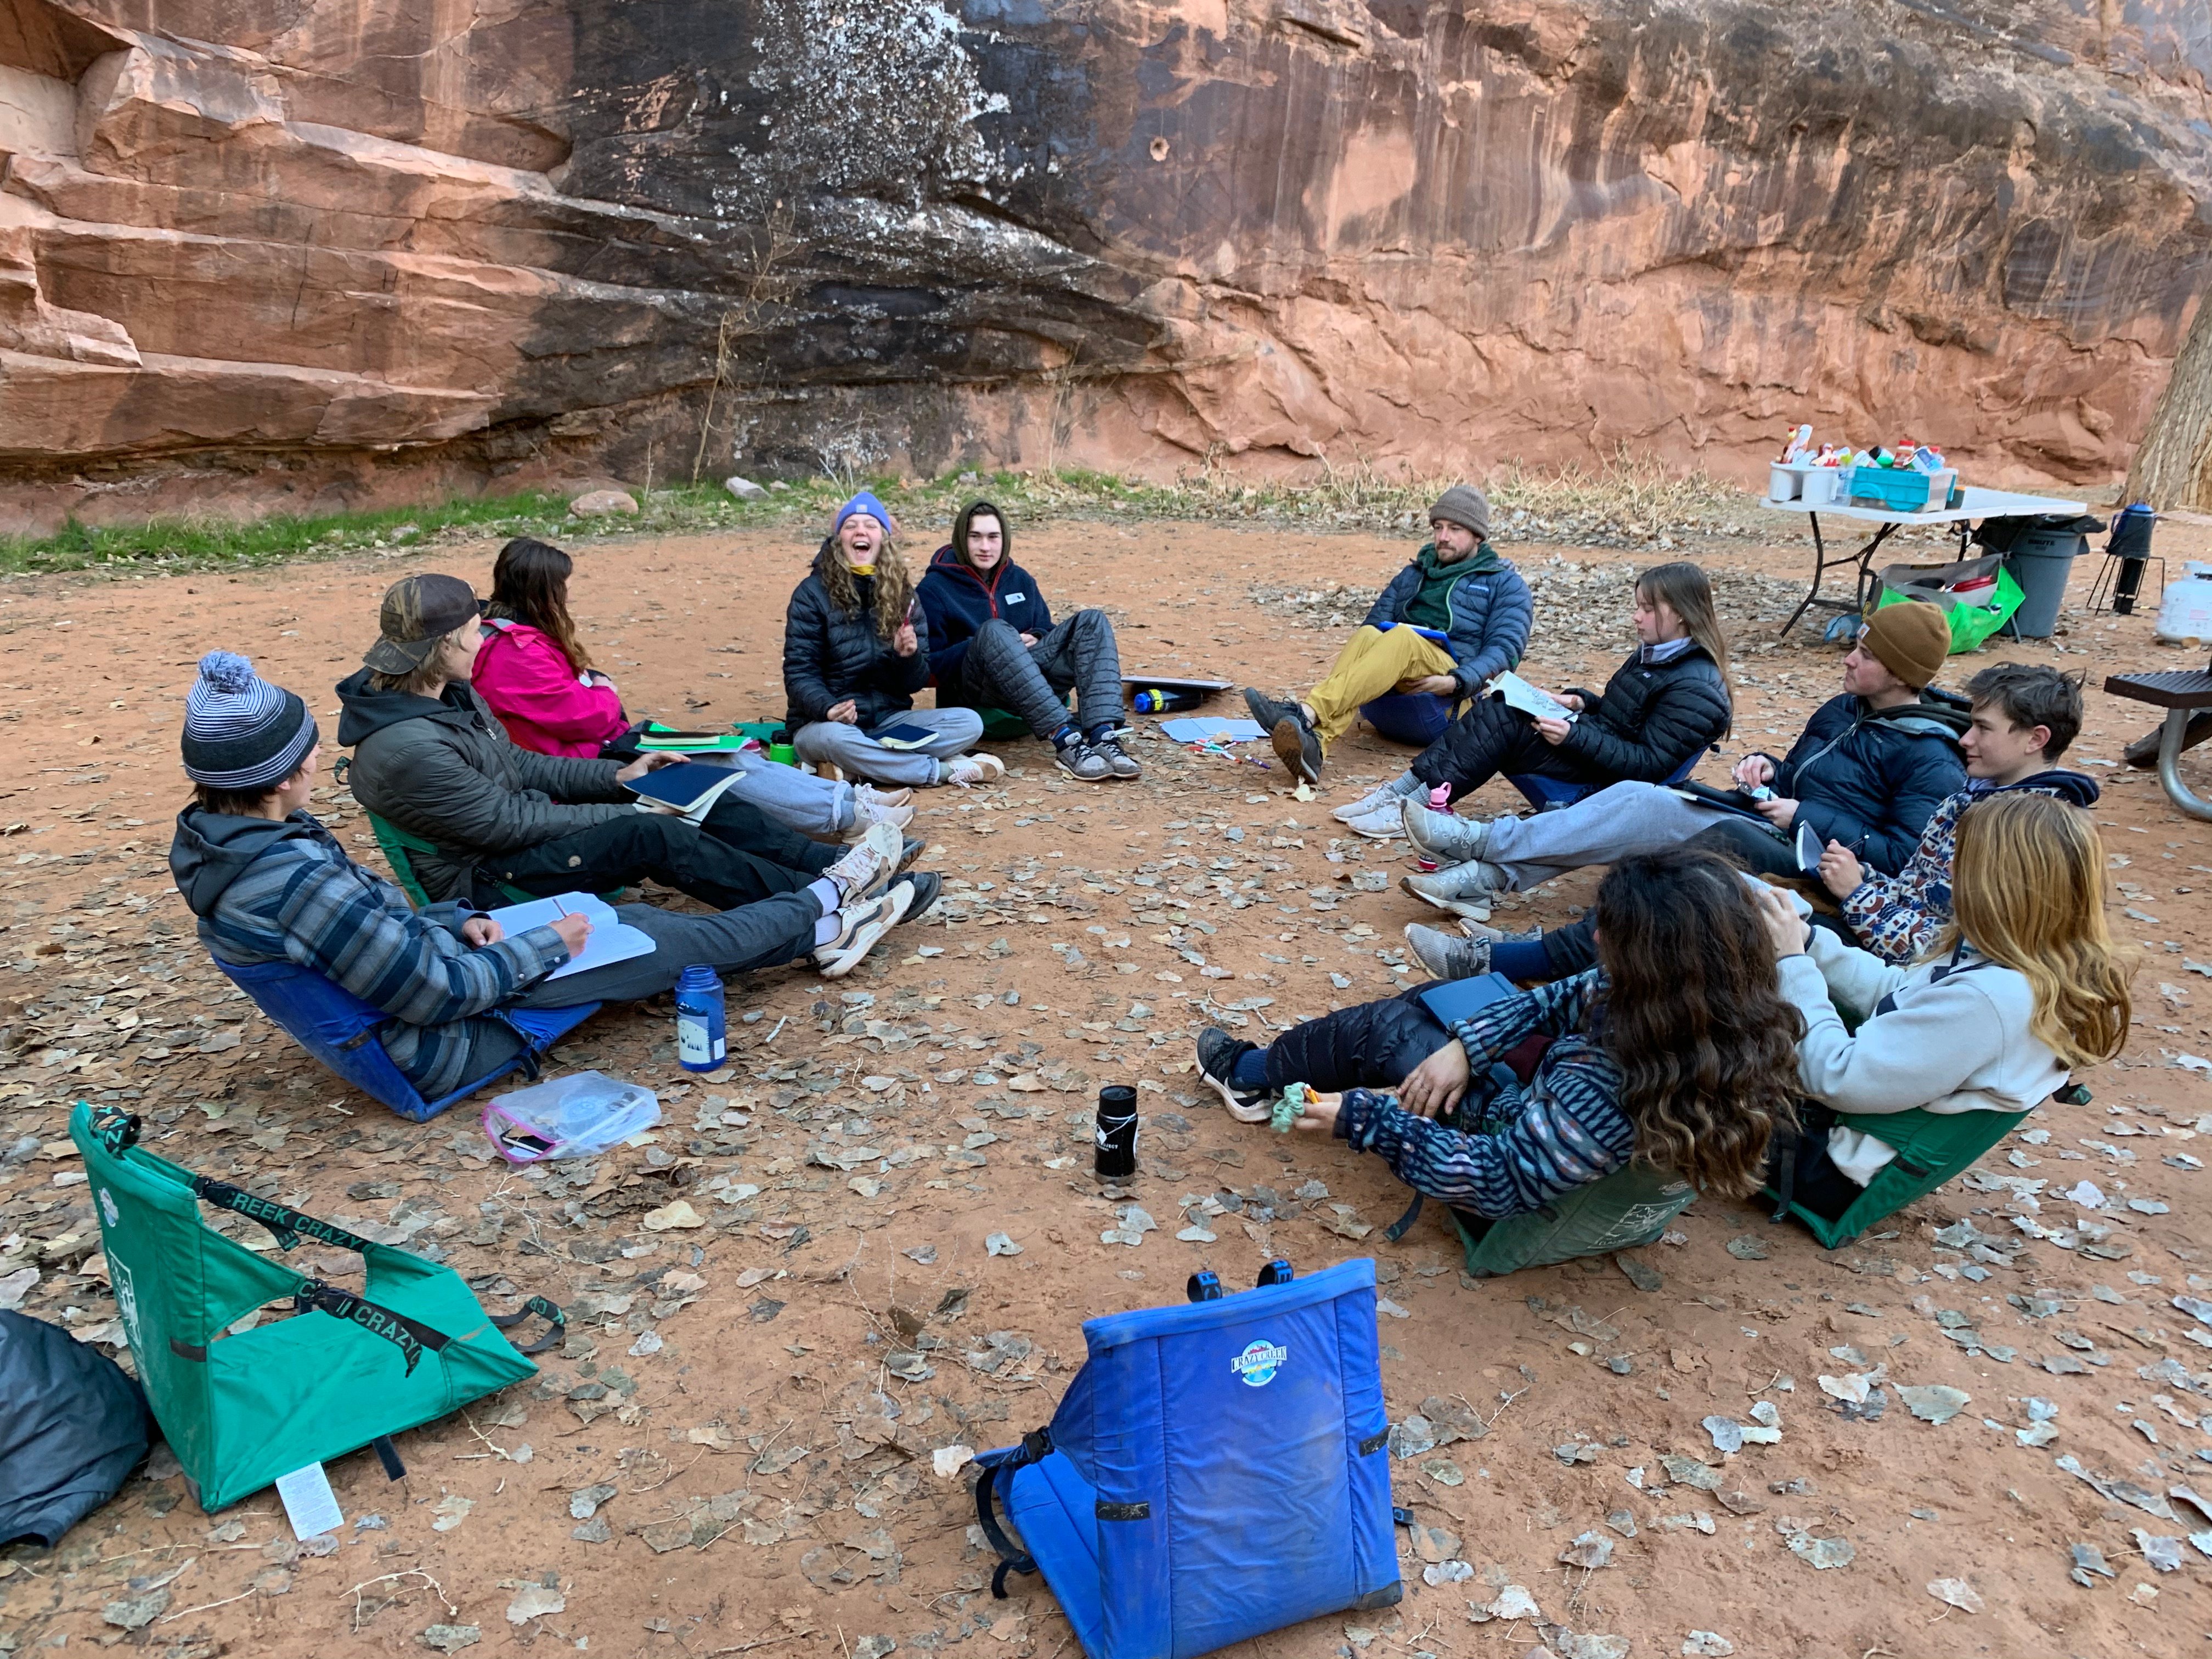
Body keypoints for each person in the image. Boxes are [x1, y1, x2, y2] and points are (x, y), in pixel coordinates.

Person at [173, 659, 930, 1106]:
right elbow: (439, 994)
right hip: (448, 1043)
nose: (314, 760)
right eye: (303, 749)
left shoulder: (233, 848)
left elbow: (375, 939)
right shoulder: (290, 878)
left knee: (635, 910)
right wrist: (546, 941)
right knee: (655, 933)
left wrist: (448, 923)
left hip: (427, 992)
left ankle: (829, 917)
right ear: (282, 772)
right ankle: (829, 908)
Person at [1191, 849, 1799, 1257]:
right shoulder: (1716, 1006)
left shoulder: (1600, 1093)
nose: (1592, 937)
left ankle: (1249, 1076)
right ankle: (1418, 1043)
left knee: (1395, 1029)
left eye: (1606, 928)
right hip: (1582, 1155)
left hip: (1521, 1177)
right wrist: (1465, 1046)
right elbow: (1562, 997)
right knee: (1448, 1006)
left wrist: (1365, 1122)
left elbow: (1495, 1180)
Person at [1401, 599, 1966, 978]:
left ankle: (1483, 858)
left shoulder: (1929, 756)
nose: (1849, 657)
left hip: (1809, 866)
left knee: (1647, 814)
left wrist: (1802, 814)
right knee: (1636, 802)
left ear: (1901, 672)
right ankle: (1486, 870)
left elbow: (1905, 862)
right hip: (1767, 826)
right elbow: (1796, 775)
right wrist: (1766, 770)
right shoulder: (1846, 708)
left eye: (1866, 654)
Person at [340, 573, 893, 912]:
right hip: (488, 881)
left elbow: (518, 763)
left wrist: (621, 778)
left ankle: (829, 864)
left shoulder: (449, 695)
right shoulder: (405, 747)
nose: (481, 639)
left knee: (689, 785)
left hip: (517, 837)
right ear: (440, 647)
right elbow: (506, 824)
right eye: (471, 633)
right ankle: (815, 902)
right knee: (654, 832)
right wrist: (632, 807)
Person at [1751, 791, 2132, 1218]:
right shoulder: (2033, 962)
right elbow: (1897, 991)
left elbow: (1833, 1078)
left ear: (2003, 883)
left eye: (1963, 860)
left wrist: (1791, 964)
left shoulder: (1990, 1000)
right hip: (1848, 1141)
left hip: (1820, 1166)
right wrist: (1810, 943)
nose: (1949, 869)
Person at [474, 536, 910, 842]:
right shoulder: (513, 653)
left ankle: (847, 800)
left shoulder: (520, 640)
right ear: (541, 592)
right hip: (587, 764)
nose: (566, 597)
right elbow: (590, 713)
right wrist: (604, 690)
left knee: (733, 749)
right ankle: (846, 817)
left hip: (602, 746)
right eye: (561, 587)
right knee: (719, 766)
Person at [1331, 560, 1733, 840]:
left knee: (1503, 717)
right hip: (1593, 744)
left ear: (1680, 614)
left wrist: (1571, 738)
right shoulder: (1660, 653)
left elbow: (1649, 767)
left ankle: (1414, 806)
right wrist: (1578, 702)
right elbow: (1623, 714)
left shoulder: (1696, 689)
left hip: (1604, 779)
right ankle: (1404, 790)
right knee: (1501, 701)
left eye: (1648, 609)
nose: (1637, 618)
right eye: (1638, 607)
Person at [1242, 486, 1532, 791]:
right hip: (1389, 694)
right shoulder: (1412, 575)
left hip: (1446, 701)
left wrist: (1458, 681)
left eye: (1455, 529)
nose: (1443, 536)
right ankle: (1316, 745)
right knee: (1369, 633)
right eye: (1438, 527)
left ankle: (1305, 713)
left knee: (1402, 636)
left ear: (1477, 536)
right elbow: (1373, 628)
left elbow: (1506, 651)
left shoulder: (1505, 585)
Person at [1821, 663, 2096, 963]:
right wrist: (1863, 876)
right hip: (1886, 936)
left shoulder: (2025, 837)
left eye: (1984, 728)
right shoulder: (1969, 797)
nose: (1965, 739)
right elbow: (1916, 892)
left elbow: (1947, 957)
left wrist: (1857, 895)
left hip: (1918, 980)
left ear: (2036, 739)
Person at [785, 492, 1000, 789]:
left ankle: (859, 768)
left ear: (884, 539)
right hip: (828, 726)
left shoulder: (903, 595)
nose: (861, 531)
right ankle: (939, 772)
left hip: (887, 723)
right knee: (837, 740)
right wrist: (828, 708)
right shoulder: (811, 594)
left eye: (870, 525)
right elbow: (799, 673)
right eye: (851, 526)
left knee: (969, 723)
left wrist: (908, 657)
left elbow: (915, 682)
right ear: (838, 541)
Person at [917, 500, 1138, 782]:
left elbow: (1045, 627)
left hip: (1031, 681)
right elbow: (927, 668)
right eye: (976, 537)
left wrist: (1036, 637)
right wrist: (983, 644)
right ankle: (1066, 740)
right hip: (978, 689)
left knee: (1092, 621)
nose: (985, 547)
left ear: (1004, 539)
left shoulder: (1020, 579)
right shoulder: (934, 589)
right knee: (995, 631)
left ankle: (1104, 736)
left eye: (993, 537)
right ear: (962, 538)